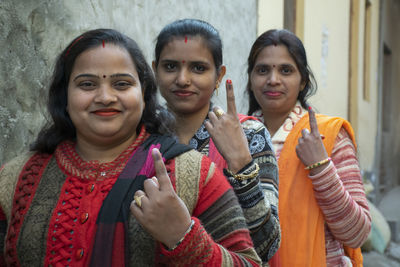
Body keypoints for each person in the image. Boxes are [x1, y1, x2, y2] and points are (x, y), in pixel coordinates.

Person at [0, 28, 263, 266]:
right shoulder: (16, 179)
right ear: (64, 95)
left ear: (143, 92)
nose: (105, 97)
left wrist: (183, 237)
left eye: (122, 84)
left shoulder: (193, 175)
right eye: (87, 84)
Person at [152, 18, 280, 263]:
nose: (182, 79)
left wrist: (241, 164)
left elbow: (267, 246)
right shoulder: (143, 134)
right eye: (170, 67)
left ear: (219, 75)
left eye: (198, 68)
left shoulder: (249, 134)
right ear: (155, 69)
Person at [246, 29, 371, 267]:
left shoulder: (327, 135)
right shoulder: (235, 136)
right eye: (262, 70)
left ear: (302, 80)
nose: (273, 79)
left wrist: (320, 167)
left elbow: (358, 233)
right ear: (251, 79)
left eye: (286, 70)